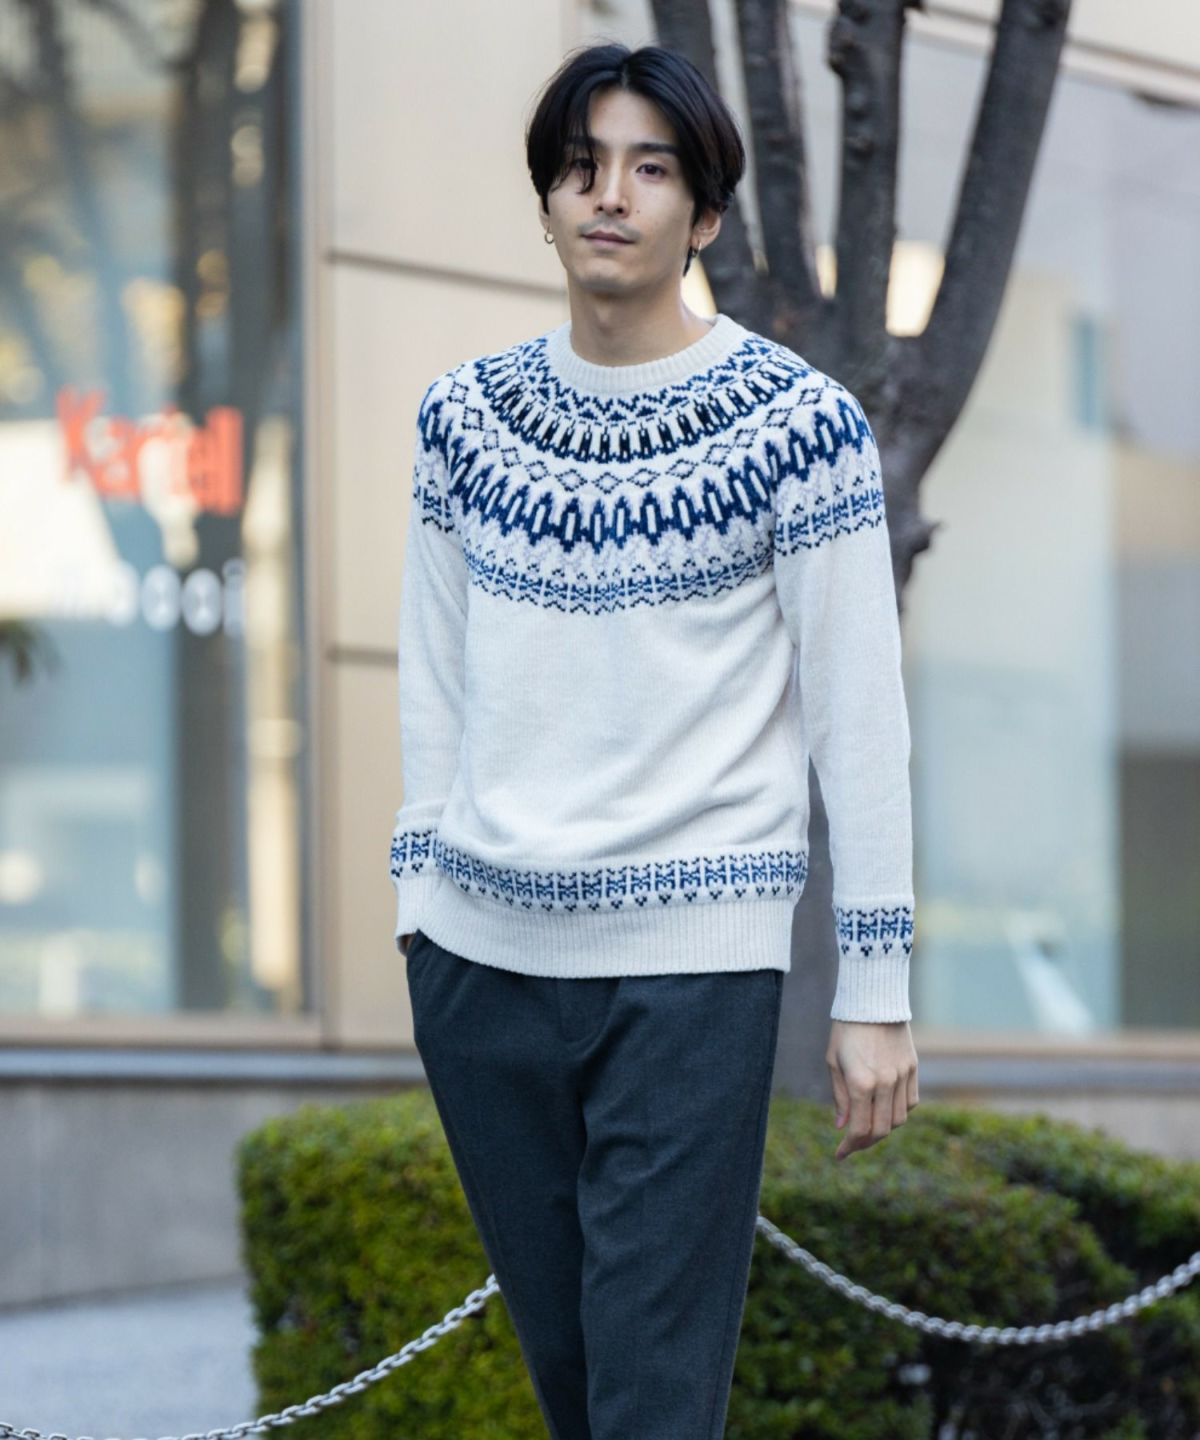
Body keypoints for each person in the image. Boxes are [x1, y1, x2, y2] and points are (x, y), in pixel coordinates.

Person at [389, 40, 919, 1440]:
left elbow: (861, 715)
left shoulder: (799, 428)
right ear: (548, 201)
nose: (609, 195)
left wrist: (874, 985)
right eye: (581, 167)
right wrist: (419, 912)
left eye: (649, 168)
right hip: (481, 968)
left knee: (652, 1404)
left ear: (706, 214)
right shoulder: (463, 423)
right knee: (580, 1396)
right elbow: (433, 681)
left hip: (692, 975)